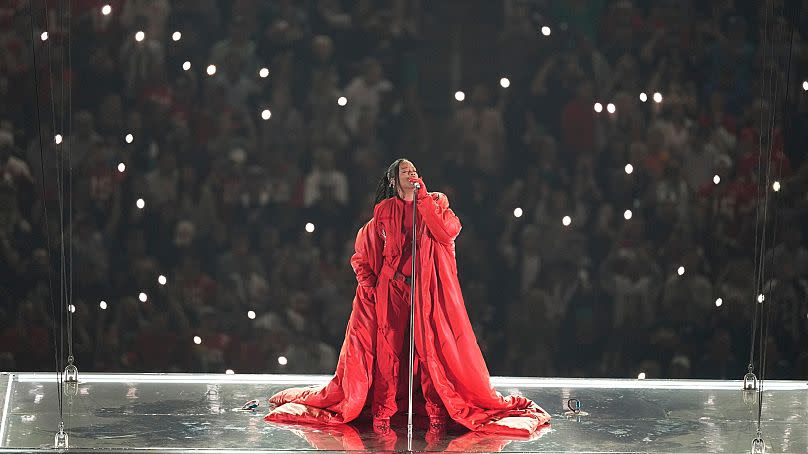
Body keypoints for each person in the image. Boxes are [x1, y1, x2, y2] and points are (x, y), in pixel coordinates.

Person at [263, 159, 550, 436]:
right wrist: (372, 286)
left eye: (414, 169)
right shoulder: (384, 211)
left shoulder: (435, 202)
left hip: (425, 291)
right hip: (393, 289)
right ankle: (383, 413)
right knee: (390, 351)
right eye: (405, 170)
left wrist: (424, 200)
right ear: (394, 180)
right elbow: (363, 253)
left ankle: (437, 412)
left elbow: (448, 232)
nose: (411, 172)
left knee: (428, 351)